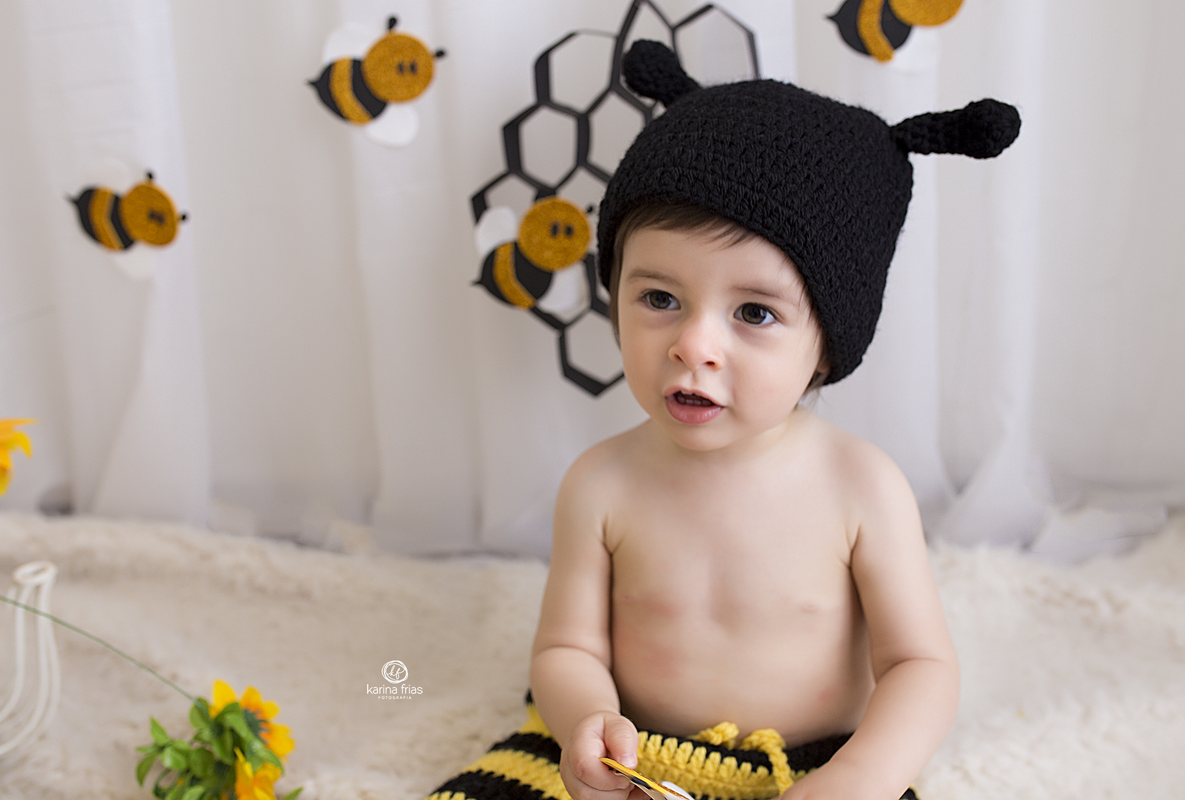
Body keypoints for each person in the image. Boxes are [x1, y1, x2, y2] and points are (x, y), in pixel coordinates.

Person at [427, 40, 1019, 800]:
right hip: (631, 761)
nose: (694, 345)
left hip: (811, 771)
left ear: (827, 347)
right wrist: (588, 725)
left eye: (754, 313)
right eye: (660, 298)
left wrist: (862, 776)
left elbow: (921, 665)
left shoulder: (860, 486)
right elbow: (567, 649)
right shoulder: (602, 483)